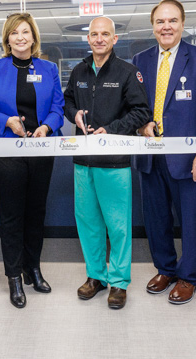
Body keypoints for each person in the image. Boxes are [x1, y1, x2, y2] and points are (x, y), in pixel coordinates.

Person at [132, 0, 196, 305]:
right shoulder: (140, 60)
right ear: (153, 26)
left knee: (190, 219)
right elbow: (136, 106)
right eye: (160, 21)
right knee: (156, 219)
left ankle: (188, 277)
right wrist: (141, 125)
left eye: (172, 21)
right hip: (151, 155)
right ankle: (165, 268)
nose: (166, 27)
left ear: (183, 24)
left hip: (189, 159)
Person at [0, 12, 64, 309]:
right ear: (7, 38)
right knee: (12, 215)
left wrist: (47, 127)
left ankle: (33, 269)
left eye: (26, 32)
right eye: (15, 33)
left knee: (36, 213)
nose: (21, 37)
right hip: (7, 150)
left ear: (34, 37)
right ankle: (13, 275)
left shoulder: (48, 68)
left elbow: (58, 107)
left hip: (40, 149)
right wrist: (6, 121)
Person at [63, 16, 150, 310]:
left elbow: (141, 112)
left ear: (114, 39)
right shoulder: (79, 71)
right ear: (88, 39)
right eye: (94, 34)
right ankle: (96, 276)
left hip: (113, 162)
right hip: (83, 162)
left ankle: (119, 282)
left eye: (105, 34)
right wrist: (73, 114)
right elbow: (67, 101)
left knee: (118, 226)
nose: (99, 39)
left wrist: (110, 130)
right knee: (88, 223)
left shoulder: (128, 72)